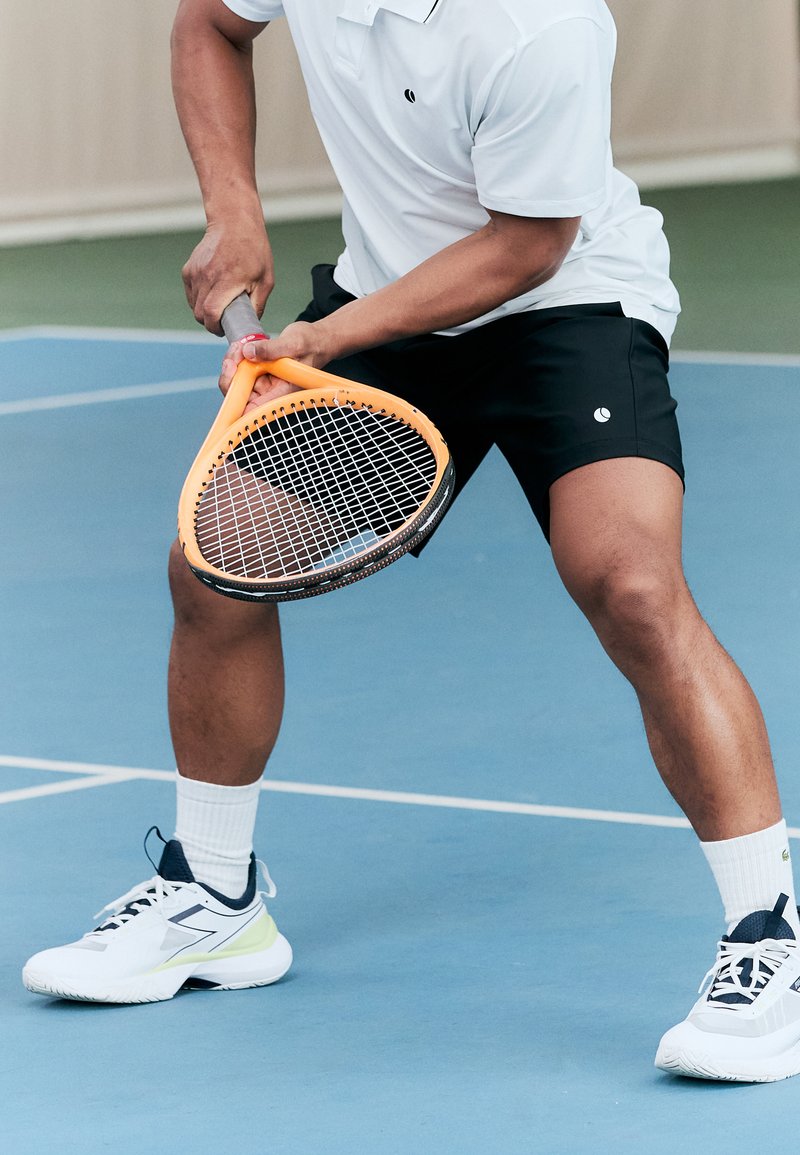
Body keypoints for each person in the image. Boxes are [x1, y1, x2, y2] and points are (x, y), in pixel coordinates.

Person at [22, 0, 800, 1083]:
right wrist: (232, 208)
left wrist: (329, 334)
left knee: (628, 586)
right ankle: (216, 894)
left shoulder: (538, 27)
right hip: (389, 296)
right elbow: (208, 20)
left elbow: (529, 246)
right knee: (216, 566)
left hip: (564, 307)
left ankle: (765, 939)